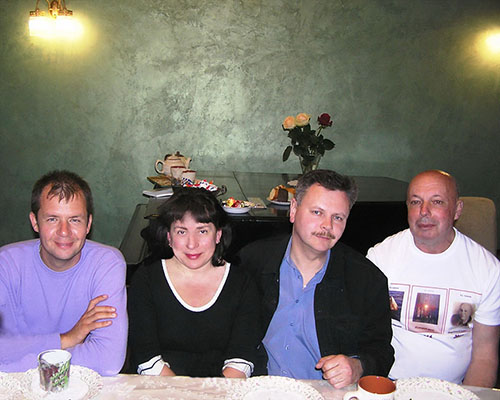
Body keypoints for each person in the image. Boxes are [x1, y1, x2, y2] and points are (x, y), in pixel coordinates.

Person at [236, 170, 394, 388]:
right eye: (317, 212)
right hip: (259, 389)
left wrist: (357, 367)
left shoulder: (366, 280)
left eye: (337, 217)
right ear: (293, 209)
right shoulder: (252, 262)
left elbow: (382, 351)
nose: (327, 226)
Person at [367, 169, 500, 387]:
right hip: (387, 385)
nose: (424, 211)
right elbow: (362, 336)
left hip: (452, 388)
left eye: (437, 202)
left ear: (457, 210)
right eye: (415, 202)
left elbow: (484, 357)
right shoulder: (380, 257)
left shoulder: (487, 269)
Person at [0, 170, 128, 376]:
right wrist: (66, 339)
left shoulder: (106, 264)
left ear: (88, 224)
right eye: (52, 219)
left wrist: (14, 363)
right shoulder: (6, 264)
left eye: (75, 220)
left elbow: (107, 360)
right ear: (35, 222)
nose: (64, 232)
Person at [128, 187, 260, 378]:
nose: (192, 244)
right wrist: (183, 392)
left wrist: (214, 393)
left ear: (218, 235)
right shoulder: (146, 279)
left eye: (202, 231)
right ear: (169, 237)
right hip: (162, 387)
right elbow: (146, 357)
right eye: (181, 232)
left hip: (224, 388)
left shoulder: (242, 283)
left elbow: (241, 358)